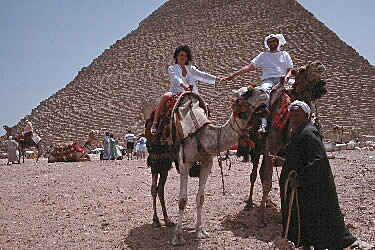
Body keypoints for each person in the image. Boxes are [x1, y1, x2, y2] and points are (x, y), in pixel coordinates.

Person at [278, 100, 356, 250]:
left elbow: (319, 161)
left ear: (307, 116)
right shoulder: (298, 133)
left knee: (317, 216)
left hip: (311, 187)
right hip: (302, 188)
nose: (293, 118)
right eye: (292, 115)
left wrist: (300, 179)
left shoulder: (308, 133)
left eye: (297, 115)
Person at [223, 34, 293, 133]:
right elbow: (250, 67)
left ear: (278, 42)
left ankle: (312, 116)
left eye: (274, 41)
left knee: (301, 88)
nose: (272, 43)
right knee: (263, 93)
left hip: (283, 79)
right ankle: (263, 122)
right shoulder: (263, 55)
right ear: (267, 44)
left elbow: (290, 70)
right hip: (268, 80)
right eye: (269, 42)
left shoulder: (285, 54)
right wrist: (233, 75)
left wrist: (286, 77)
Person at [151, 45, 223, 133]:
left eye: (185, 56)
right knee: (165, 96)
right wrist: (185, 87)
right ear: (176, 56)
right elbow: (176, 78)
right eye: (181, 55)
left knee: (205, 108)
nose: (183, 57)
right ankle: (155, 123)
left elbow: (202, 75)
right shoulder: (172, 68)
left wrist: (217, 79)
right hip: (176, 92)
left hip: (192, 93)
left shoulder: (191, 69)